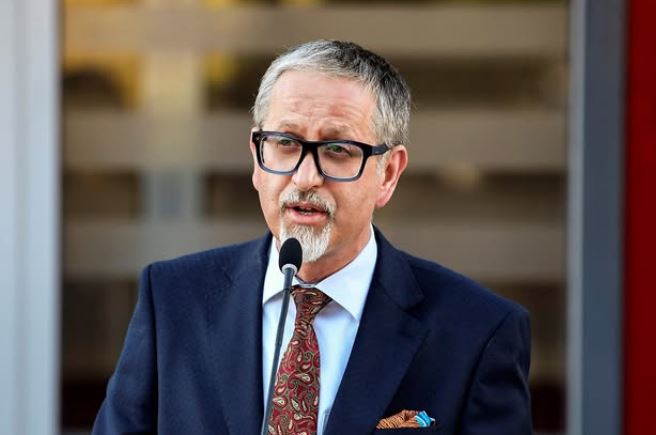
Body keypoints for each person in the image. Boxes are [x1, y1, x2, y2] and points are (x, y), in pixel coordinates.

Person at [92, 40, 531, 435]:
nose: (305, 177)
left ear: (388, 174)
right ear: (256, 157)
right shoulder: (173, 300)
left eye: (337, 150)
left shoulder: (478, 333)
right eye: (285, 143)